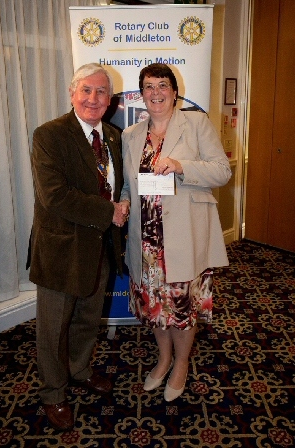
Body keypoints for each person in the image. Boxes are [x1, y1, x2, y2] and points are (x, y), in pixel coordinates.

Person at [119, 63, 231, 402]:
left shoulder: (196, 124)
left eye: (162, 85)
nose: (156, 92)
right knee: (155, 307)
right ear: (142, 94)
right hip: (147, 241)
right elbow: (128, 185)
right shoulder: (131, 135)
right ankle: (163, 357)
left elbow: (222, 171)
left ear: (174, 90)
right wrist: (123, 203)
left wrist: (181, 166)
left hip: (184, 238)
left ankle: (180, 362)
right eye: (149, 86)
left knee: (181, 308)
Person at [28, 63, 127, 431]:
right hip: (61, 249)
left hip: (101, 245)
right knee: (53, 329)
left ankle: (80, 369)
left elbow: (116, 186)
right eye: (86, 90)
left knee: (88, 318)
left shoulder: (114, 137)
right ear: (72, 93)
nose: (93, 98)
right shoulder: (49, 135)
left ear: (110, 100)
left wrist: (124, 204)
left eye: (101, 92)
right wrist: (110, 212)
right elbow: (55, 196)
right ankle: (54, 393)